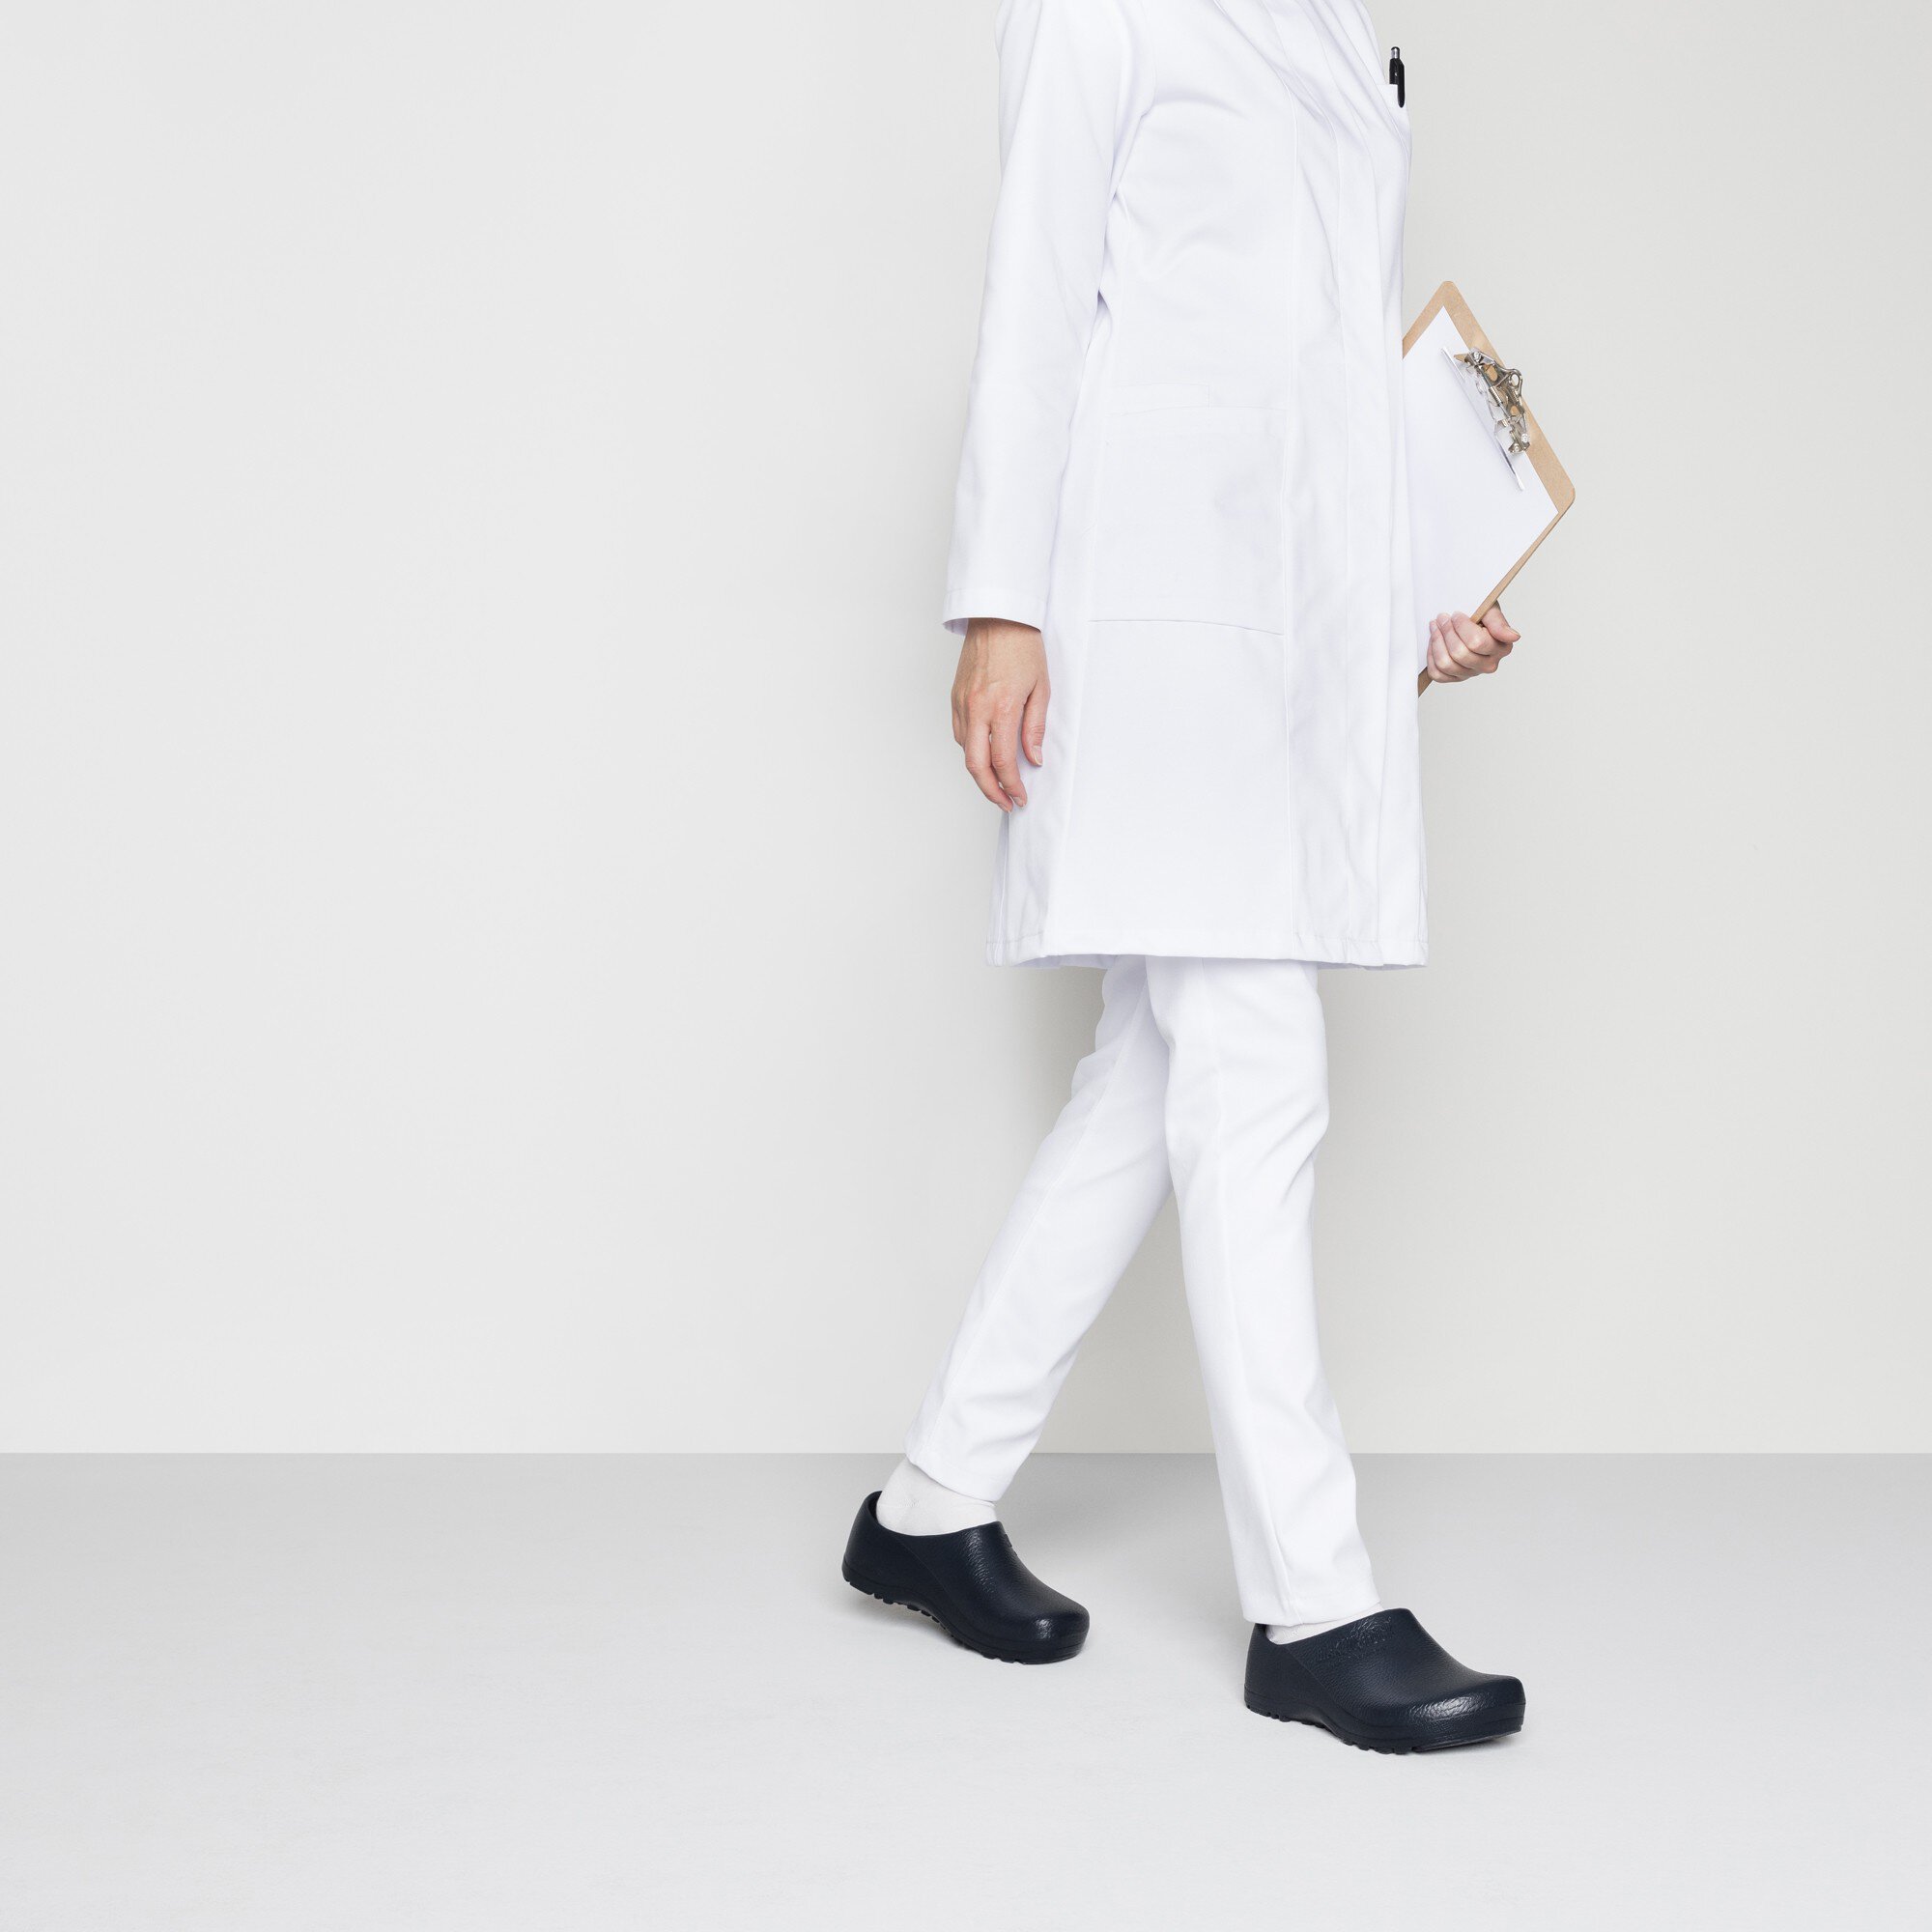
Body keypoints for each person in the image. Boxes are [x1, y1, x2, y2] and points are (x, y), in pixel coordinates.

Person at [841, 0, 1525, 1752]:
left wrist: (1414, 601)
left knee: (1150, 1075)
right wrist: (1000, 606)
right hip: (1145, 610)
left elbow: (1328, 363)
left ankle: (930, 1504)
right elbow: (1033, 298)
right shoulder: (1104, 11)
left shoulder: (1346, 30)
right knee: (1255, 1061)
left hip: (1288, 623)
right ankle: (1317, 1604)